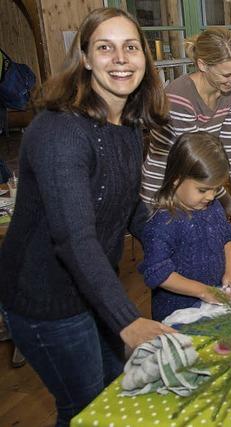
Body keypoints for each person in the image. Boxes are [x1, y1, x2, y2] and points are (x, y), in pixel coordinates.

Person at [0, 8, 174, 426]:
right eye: (105, 47)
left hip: (92, 289)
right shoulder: (60, 131)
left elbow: (127, 206)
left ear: (144, 59)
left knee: (113, 391)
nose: (120, 58)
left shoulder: (127, 123)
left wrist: (173, 236)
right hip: (45, 299)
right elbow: (75, 238)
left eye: (130, 47)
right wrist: (129, 322)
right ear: (85, 58)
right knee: (85, 410)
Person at [140, 28, 231, 243]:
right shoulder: (179, 97)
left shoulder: (228, 96)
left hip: (198, 189)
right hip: (164, 193)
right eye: (227, 75)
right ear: (203, 65)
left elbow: (230, 151)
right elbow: (194, 163)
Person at [139, 132, 231, 321]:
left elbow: (227, 238)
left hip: (214, 303)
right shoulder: (163, 222)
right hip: (179, 314)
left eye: (216, 189)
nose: (211, 196)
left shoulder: (212, 207)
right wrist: (203, 292)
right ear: (176, 179)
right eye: (203, 190)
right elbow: (158, 273)